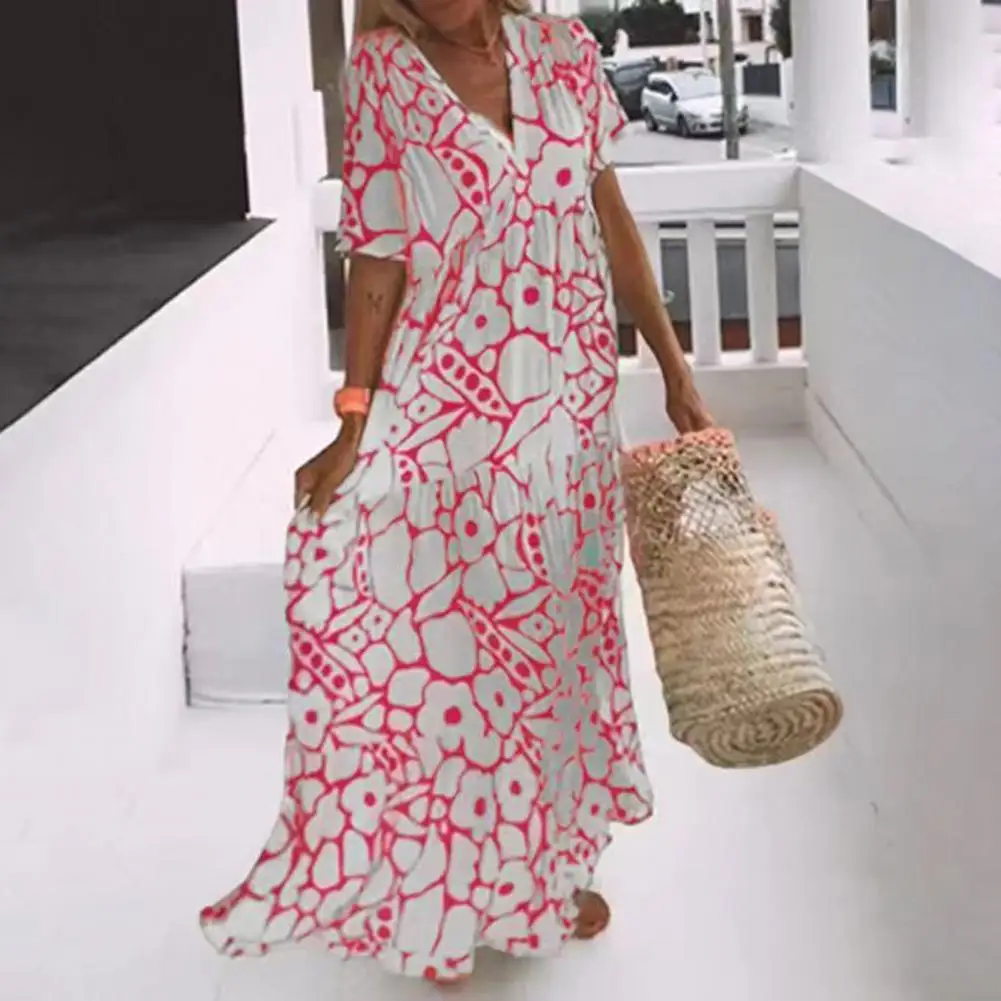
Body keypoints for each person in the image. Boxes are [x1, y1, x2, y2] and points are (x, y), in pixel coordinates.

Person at [201, 0, 713, 984]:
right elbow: (378, 253)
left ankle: (547, 871)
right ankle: (447, 897)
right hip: (450, 408)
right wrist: (354, 418)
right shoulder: (385, 74)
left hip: (566, 413)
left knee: (558, 646)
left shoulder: (563, 53)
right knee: (459, 658)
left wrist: (673, 367)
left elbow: (608, 219)